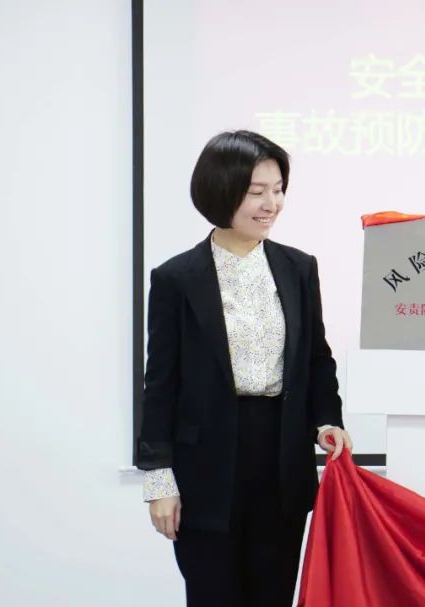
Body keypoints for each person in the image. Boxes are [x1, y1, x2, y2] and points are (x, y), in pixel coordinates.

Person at [136, 130, 353, 606]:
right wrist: (158, 480)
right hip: (205, 467)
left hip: (281, 457)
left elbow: (316, 357)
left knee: (272, 594)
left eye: (278, 190)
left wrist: (327, 420)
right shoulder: (176, 278)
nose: (271, 204)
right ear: (221, 191)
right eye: (257, 192)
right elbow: (160, 385)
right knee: (213, 594)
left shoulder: (298, 267)